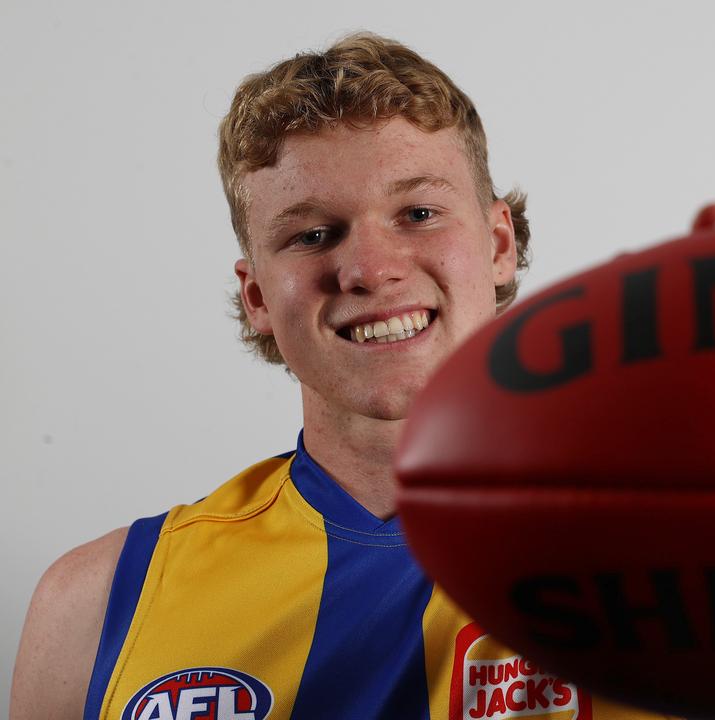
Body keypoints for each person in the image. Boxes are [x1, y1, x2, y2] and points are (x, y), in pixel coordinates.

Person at [11, 33, 667, 720]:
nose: (370, 269)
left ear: (498, 244)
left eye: (418, 214)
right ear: (258, 296)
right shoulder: (93, 605)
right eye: (313, 234)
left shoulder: (693, 548)